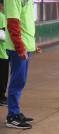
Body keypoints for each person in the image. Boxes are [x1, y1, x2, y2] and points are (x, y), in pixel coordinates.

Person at [4, 0, 36, 129]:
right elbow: (13, 23)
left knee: (20, 81)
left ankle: (15, 112)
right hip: (18, 47)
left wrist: (32, 45)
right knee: (17, 82)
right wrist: (20, 47)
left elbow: (26, 23)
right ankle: (12, 116)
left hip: (26, 45)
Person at [0, 0, 8, 106]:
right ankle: (1, 97)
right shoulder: (1, 16)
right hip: (2, 52)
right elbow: (1, 35)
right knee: (3, 77)